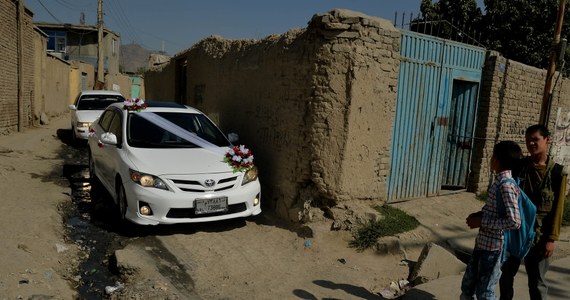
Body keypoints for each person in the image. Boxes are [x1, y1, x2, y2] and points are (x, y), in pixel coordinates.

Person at [499, 124, 568, 300]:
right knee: (505, 276)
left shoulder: (558, 173)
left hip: (539, 236)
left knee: (537, 283)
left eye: (535, 139)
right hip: (516, 233)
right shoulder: (519, 167)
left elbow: (558, 209)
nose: (531, 143)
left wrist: (551, 239)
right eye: (528, 140)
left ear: (547, 140)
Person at [461, 141, 523, 300]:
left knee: (485, 292)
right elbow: (495, 210)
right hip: (483, 243)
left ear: (496, 160)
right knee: (468, 286)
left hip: (494, 248)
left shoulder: (506, 186)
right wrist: (479, 215)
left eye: (492, 155)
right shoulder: (498, 182)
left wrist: (482, 221)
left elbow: (514, 222)